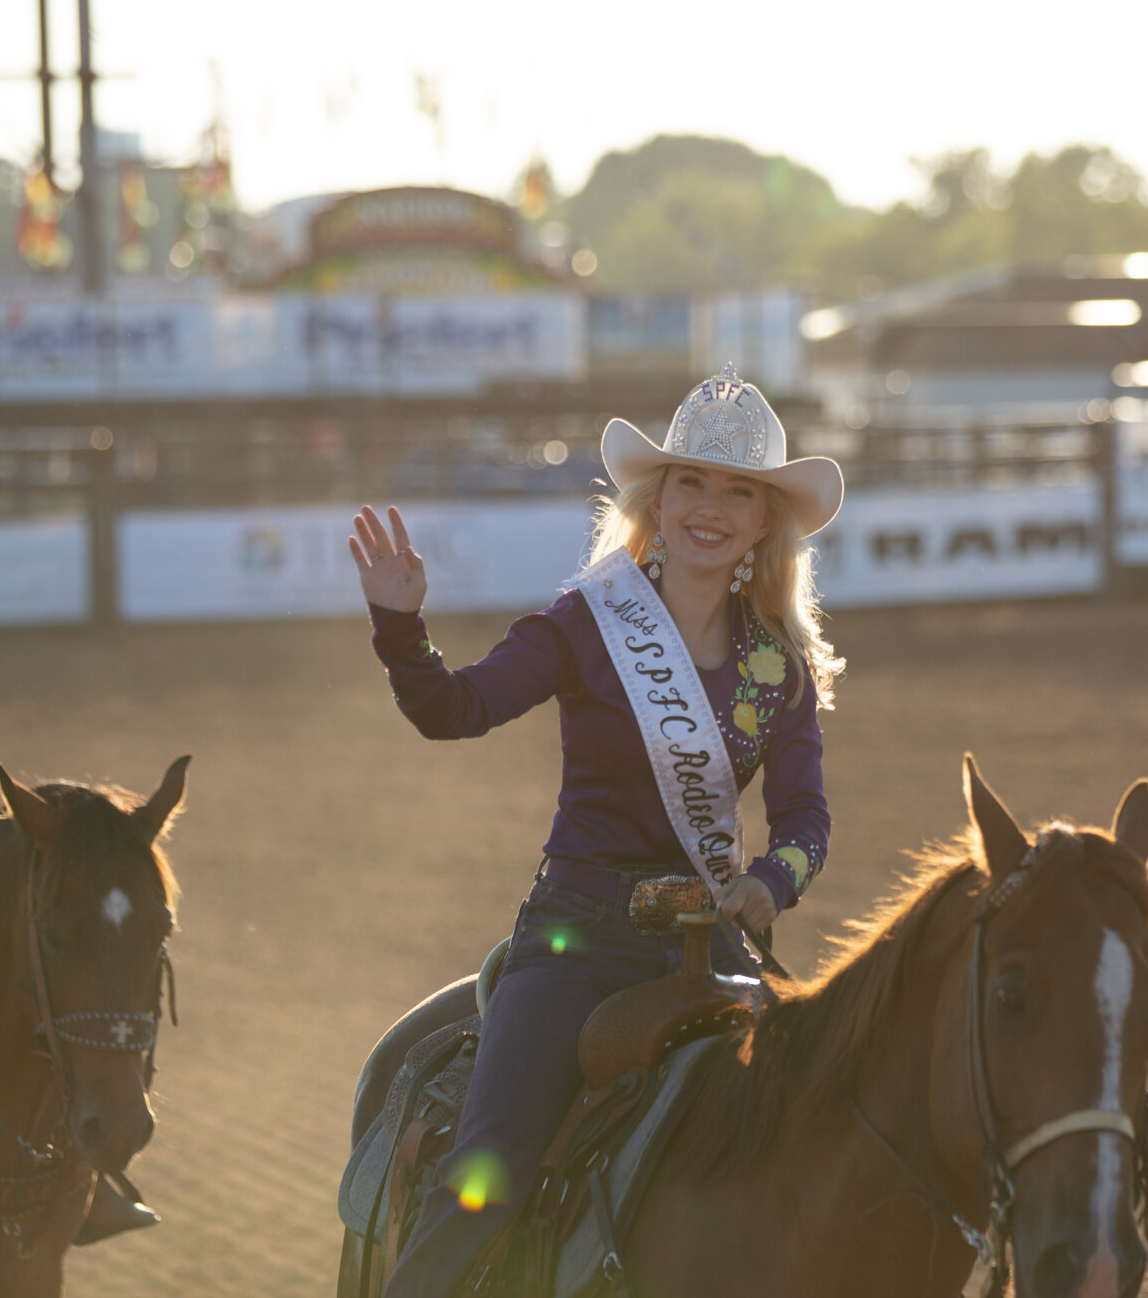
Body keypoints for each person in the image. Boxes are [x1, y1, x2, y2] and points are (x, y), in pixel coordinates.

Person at [356, 367, 845, 1296]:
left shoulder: (778, 666)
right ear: (656, 499)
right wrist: (400, 622)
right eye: (692, 481)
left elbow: (805, 821)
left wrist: (769, 882)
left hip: (708, 948)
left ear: (763, 523)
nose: (711, 507)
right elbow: (455, 709)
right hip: (575, 940)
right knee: (485, 1178)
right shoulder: (588, 621)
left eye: (738, 492)